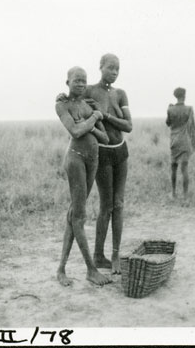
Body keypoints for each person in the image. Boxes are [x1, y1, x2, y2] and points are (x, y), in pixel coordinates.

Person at [55, 66, 112, 287]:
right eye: (76, 80)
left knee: (74, 215)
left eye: (84, 81)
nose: (81, 84)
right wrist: (94, 119)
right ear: (67, 82)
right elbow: (75, 132)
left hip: (93, 160)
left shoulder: (87, 105)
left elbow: (105, 138)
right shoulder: (62, 105)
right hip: (76, 159)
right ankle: (90, 269)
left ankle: (61, 269)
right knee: (79, 216)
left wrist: (91, 122)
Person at [84, 54, 132, 274]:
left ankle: (115, 255)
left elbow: (128, 126)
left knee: (119, 204)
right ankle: (98, 255)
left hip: (120, 151)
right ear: (100, 66)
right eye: (110, 67)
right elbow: (75, 107)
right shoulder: (89, 91)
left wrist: (107, 116)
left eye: (118, 69)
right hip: (101, 153)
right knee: (106, 205)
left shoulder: (120, 93)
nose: (114, 72)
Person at [165, 87, 195, 206]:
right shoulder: (189, 109)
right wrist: (194, 143)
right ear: (184, 95)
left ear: (175, 96)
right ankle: (185, 197)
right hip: (185, 141)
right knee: (185, 170)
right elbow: (192, 127)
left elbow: (168, 123)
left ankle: (173, 193)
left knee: (173, 168)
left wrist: (170, 108)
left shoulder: (170, 109)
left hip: (174, 141)